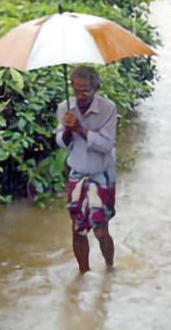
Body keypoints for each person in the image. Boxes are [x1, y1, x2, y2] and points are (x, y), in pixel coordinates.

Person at [55, 66, 118, 274]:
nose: (81, 95)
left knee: (100, 230)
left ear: (96, 88)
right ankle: (83, 274)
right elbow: (61, 143)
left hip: (102, 173)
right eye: (77, 90)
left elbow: (106, 144)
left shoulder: (108, 108)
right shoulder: (65, 108)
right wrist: (67, 129)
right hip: (78, 172)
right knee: (78, 229)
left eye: (86, 91)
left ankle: (110, 269)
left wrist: (80, 129)